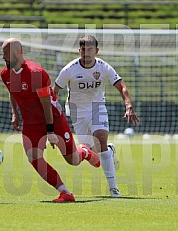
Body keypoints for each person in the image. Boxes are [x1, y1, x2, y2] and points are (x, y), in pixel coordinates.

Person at [0, 38, 101, 203]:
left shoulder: (35, 73)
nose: (3, 57)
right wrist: (15, 113)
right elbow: (12, 91)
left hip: (53, 119)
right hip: (31, 122)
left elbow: (46, 104)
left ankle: (84, 152)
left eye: (5, 54)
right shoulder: (5, 73)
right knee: (33, 157)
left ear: (17, 53)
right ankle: (65, 192)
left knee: (72, 160)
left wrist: (50, 132)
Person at [53, 35, 140, 197]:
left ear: (96, 51)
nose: (86, 53)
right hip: (77, 111)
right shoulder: (69, 69)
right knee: (91, 151)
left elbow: (121, 86)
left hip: (97, 107)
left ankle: (113, 188)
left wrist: (128, 105)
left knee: (100, 139)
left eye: (90, 49)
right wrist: (54, 110)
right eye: (83, 49)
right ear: (79, 50)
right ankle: (109, 151)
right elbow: (55, 91)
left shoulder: (103, 67)